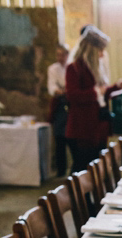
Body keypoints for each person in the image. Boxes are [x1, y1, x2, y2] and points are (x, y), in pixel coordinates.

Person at [65, 26, 122, 173]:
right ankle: (79, 196)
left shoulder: (95, 68)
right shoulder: (74, 68)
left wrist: (116, 87)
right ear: (91, 50)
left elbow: (102, 93)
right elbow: (73, 96)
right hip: (82, 128)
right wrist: (96, 91)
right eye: (100, 50)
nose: (102, 55)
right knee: (82, 169)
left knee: (95, 169)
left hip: (96, 127)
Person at [47, 44, 70, 176]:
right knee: (59, 138)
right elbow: (52, 87)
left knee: (71, 138)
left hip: (70, 104)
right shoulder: (53, 68)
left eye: (62, 54)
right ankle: (61, 170)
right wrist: (60, 91)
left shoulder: (71, 67)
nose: (60, 57)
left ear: (67, 55)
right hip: (60, 105)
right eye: (58, 55)